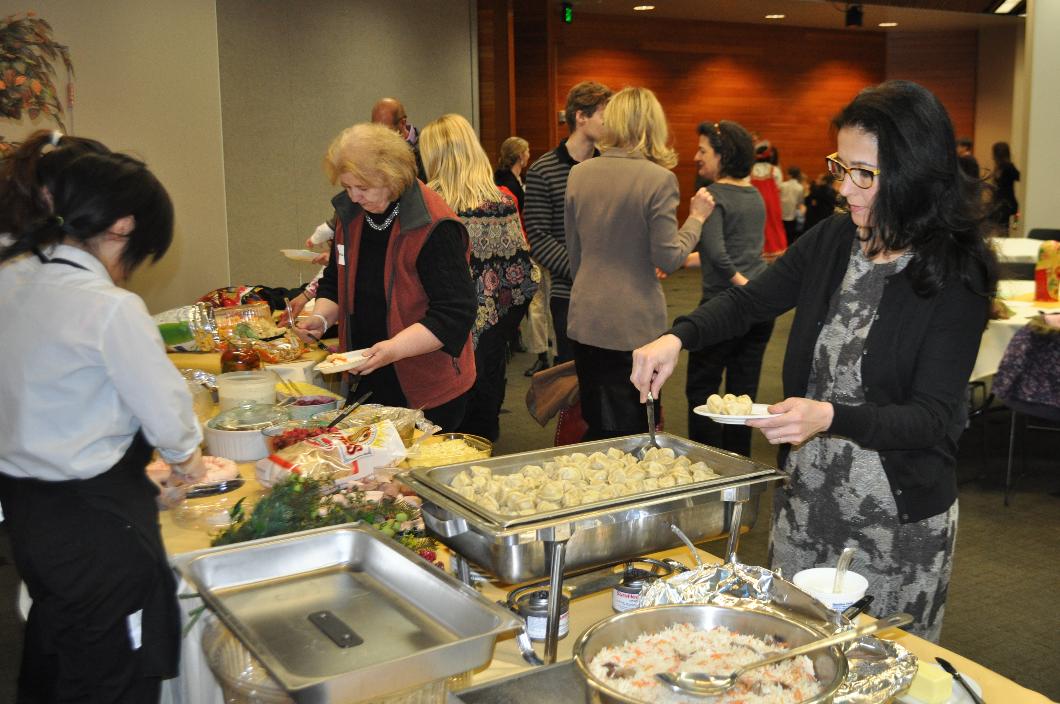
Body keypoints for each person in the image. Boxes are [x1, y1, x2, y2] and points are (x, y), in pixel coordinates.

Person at [631, 80, 998, 641]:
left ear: (915, 174)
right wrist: (677, 337)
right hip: (808, 500)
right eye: (840, 167)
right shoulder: (835, 239)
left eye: (864, 174)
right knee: (794, 658)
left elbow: (931, 417)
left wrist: (830, 416)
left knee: (879, 669)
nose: (844, 187)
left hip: (896, 522)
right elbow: (753, 299)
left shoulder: (956, 273)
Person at [0, 132, 208, 702]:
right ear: (121, 227)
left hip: (28, 519)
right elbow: (170, 418)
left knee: (60, 656)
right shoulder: (108, 308)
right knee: (111, 679)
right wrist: (187, 463)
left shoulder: (9, 279)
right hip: (97, 535)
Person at [295, 122, 477, 430]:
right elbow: (335, 279)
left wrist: (392, 349)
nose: (353, 197)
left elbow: (454, 314)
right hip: (369, 372)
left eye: (362, 188)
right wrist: (323, 317)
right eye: (347, 187)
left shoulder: (434, 225)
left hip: (426, 386)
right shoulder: (350, 216)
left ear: (391, 177)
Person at [565, 86, 714, 440]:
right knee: (633, 429)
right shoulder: (659, 179)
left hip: (586, 314)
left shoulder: (579, 173)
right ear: (652, 126)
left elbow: (575, 254)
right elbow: (669, 256)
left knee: (595, 419)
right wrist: (696, 219)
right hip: (634, 322)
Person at [419, 115, 538, 441]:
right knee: (480, 439)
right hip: (490, 345)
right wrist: (498, 331)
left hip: (436, 343)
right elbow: (524, 280)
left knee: (437, 440)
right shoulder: (502, 203)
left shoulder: (424, 205)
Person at [683, 120, 773, 457]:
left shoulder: (709, 197)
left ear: (723, 155)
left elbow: (720, 256)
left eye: (703, 150)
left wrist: (739, 284)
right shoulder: (754, 196)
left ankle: (707, 467)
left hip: (724, 309)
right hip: (758, 311)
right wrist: (678, 260)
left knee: (702, 391)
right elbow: (728, 252)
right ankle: (739, 465)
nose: (696, 157)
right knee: (743, 395)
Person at [524, 80, 611, 365]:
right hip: (569, 294)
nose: (609, 123)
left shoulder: (611, 168)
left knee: (611, 377)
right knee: (573, 382)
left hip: (612, 293)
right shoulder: (543, 170)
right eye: (603, 115)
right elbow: (538, 236)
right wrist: (584, 271)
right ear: (581, 116)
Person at [750, 140, 788, 259]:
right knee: (774, 226)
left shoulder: (750, 170)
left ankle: (758, 251)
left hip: (755, 202)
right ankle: (775, 250)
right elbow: (779, 186)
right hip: (772, 204)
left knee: (756, 226)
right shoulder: (774, 170)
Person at [493, 136, 530, 213]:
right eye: (527, 151)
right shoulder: (506, 182)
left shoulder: (521, 178)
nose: (529, 155)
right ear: (521, 155)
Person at [989, 141, 1020, 232]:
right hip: (1001, 203)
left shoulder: (1009, 167)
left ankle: (1014, 235)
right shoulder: (999, 167)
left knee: (1012, 227)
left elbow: (1019, 177)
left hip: (1008, 204)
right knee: (1003, 228)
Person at [780, 166, 806, 244]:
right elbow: (800, 203)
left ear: (789, 175)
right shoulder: (799, 187)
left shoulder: (782, 185)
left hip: (781, 215)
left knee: (782, 237)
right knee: (790, 238)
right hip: (792, 215)